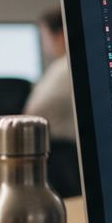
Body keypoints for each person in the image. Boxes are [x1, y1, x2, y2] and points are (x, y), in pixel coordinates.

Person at [24, 8, 76, 142]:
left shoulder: (64, 68)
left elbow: (34, 113)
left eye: (44, 36)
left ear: (60, 35)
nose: (44, 45)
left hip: (60, 149)